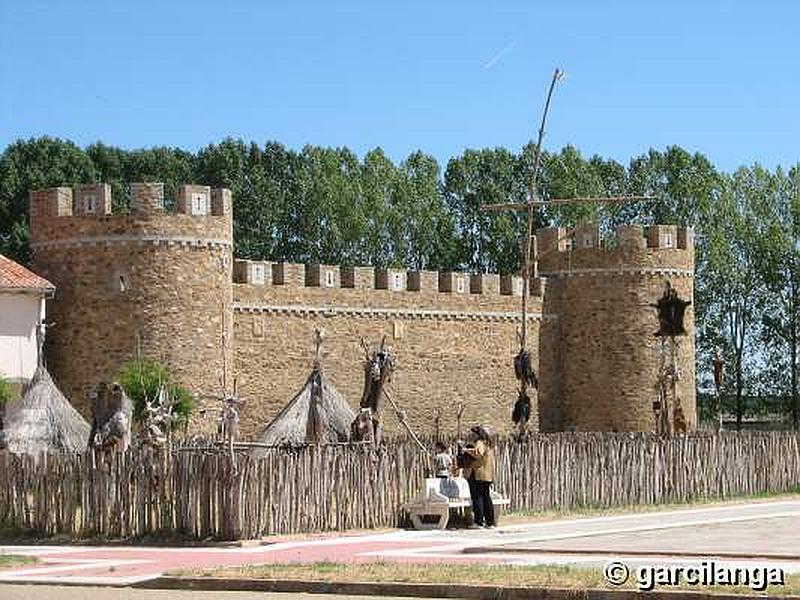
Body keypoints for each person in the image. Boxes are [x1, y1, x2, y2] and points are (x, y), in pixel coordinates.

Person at [463, 425, 496, 528]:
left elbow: (478, 453)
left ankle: (479, 522)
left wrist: (466, 450)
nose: (471, 435)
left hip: (479, 474)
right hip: (487, 474)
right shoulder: (488, 443)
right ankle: (490, 522)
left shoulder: (480, 443)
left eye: (472, 433)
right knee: (486, 498)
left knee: (477, 498)